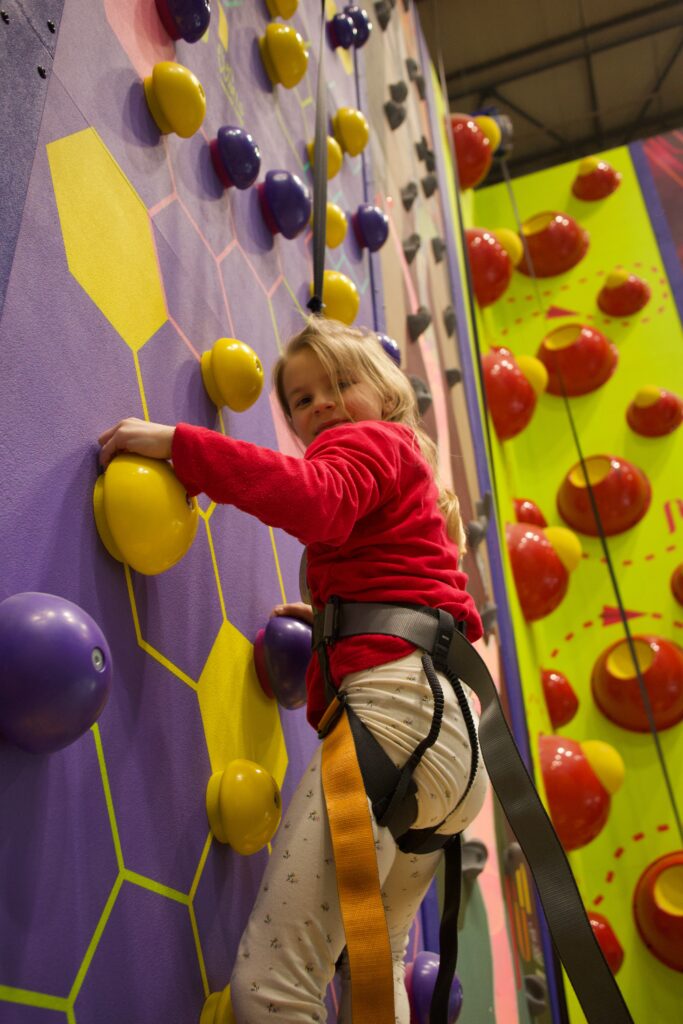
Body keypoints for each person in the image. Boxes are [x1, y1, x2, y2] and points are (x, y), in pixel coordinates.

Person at [98, 316, 487, 1024]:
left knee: (272, 991)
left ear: (387, 393)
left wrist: (183, 447)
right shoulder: (406, 469)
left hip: (395, 725)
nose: (323, 406)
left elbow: (317, 500)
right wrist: (336, 618)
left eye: (341, 383)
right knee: (375, 972)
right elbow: (415, 582)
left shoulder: (366, 440)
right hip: (452, 752)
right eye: (303, 400)